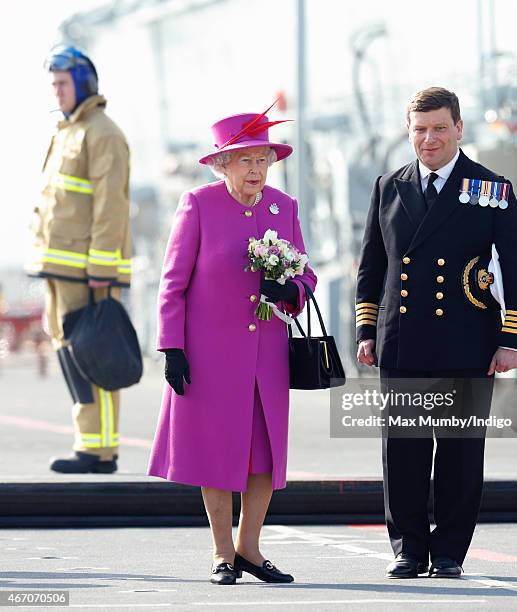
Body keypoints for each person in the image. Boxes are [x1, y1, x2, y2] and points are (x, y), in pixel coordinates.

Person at [356, 87, 517, 578]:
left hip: (466, 339)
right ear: (408, 131)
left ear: (459, 128)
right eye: (419, 129)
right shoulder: (388, 187)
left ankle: (451, 549)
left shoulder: (489, 188)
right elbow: (373, 265)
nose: (428, 139)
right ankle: (409, 549)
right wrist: (367, 328)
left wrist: (513, 337)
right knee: (404, 451)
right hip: (402, 339)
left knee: (459, 454)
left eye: (439, 128)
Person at [147, 107, 317, 585]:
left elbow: (307, 274)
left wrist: (291, 291)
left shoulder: (285, 207)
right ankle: (222, 551)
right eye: (244, 160)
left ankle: (250, 548)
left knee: (263, 454)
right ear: (222, 165)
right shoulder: (198, 204)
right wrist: (171, 347)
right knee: (217, 453)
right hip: (208, 354)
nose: (256, 170)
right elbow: (172, 285)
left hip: (267, 356)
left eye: (262, 158)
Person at [27, 45, 131, 474]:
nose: (57, 93)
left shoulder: (102, 133)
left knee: (96, 353)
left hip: (88, 272)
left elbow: (111, 206)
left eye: (63, 84)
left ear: (84, 83)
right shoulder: (65, 131)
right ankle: (88, 444)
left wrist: (102, 271)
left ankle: (101, 452)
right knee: (72, 354)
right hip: (59, 268)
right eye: (53, 85)